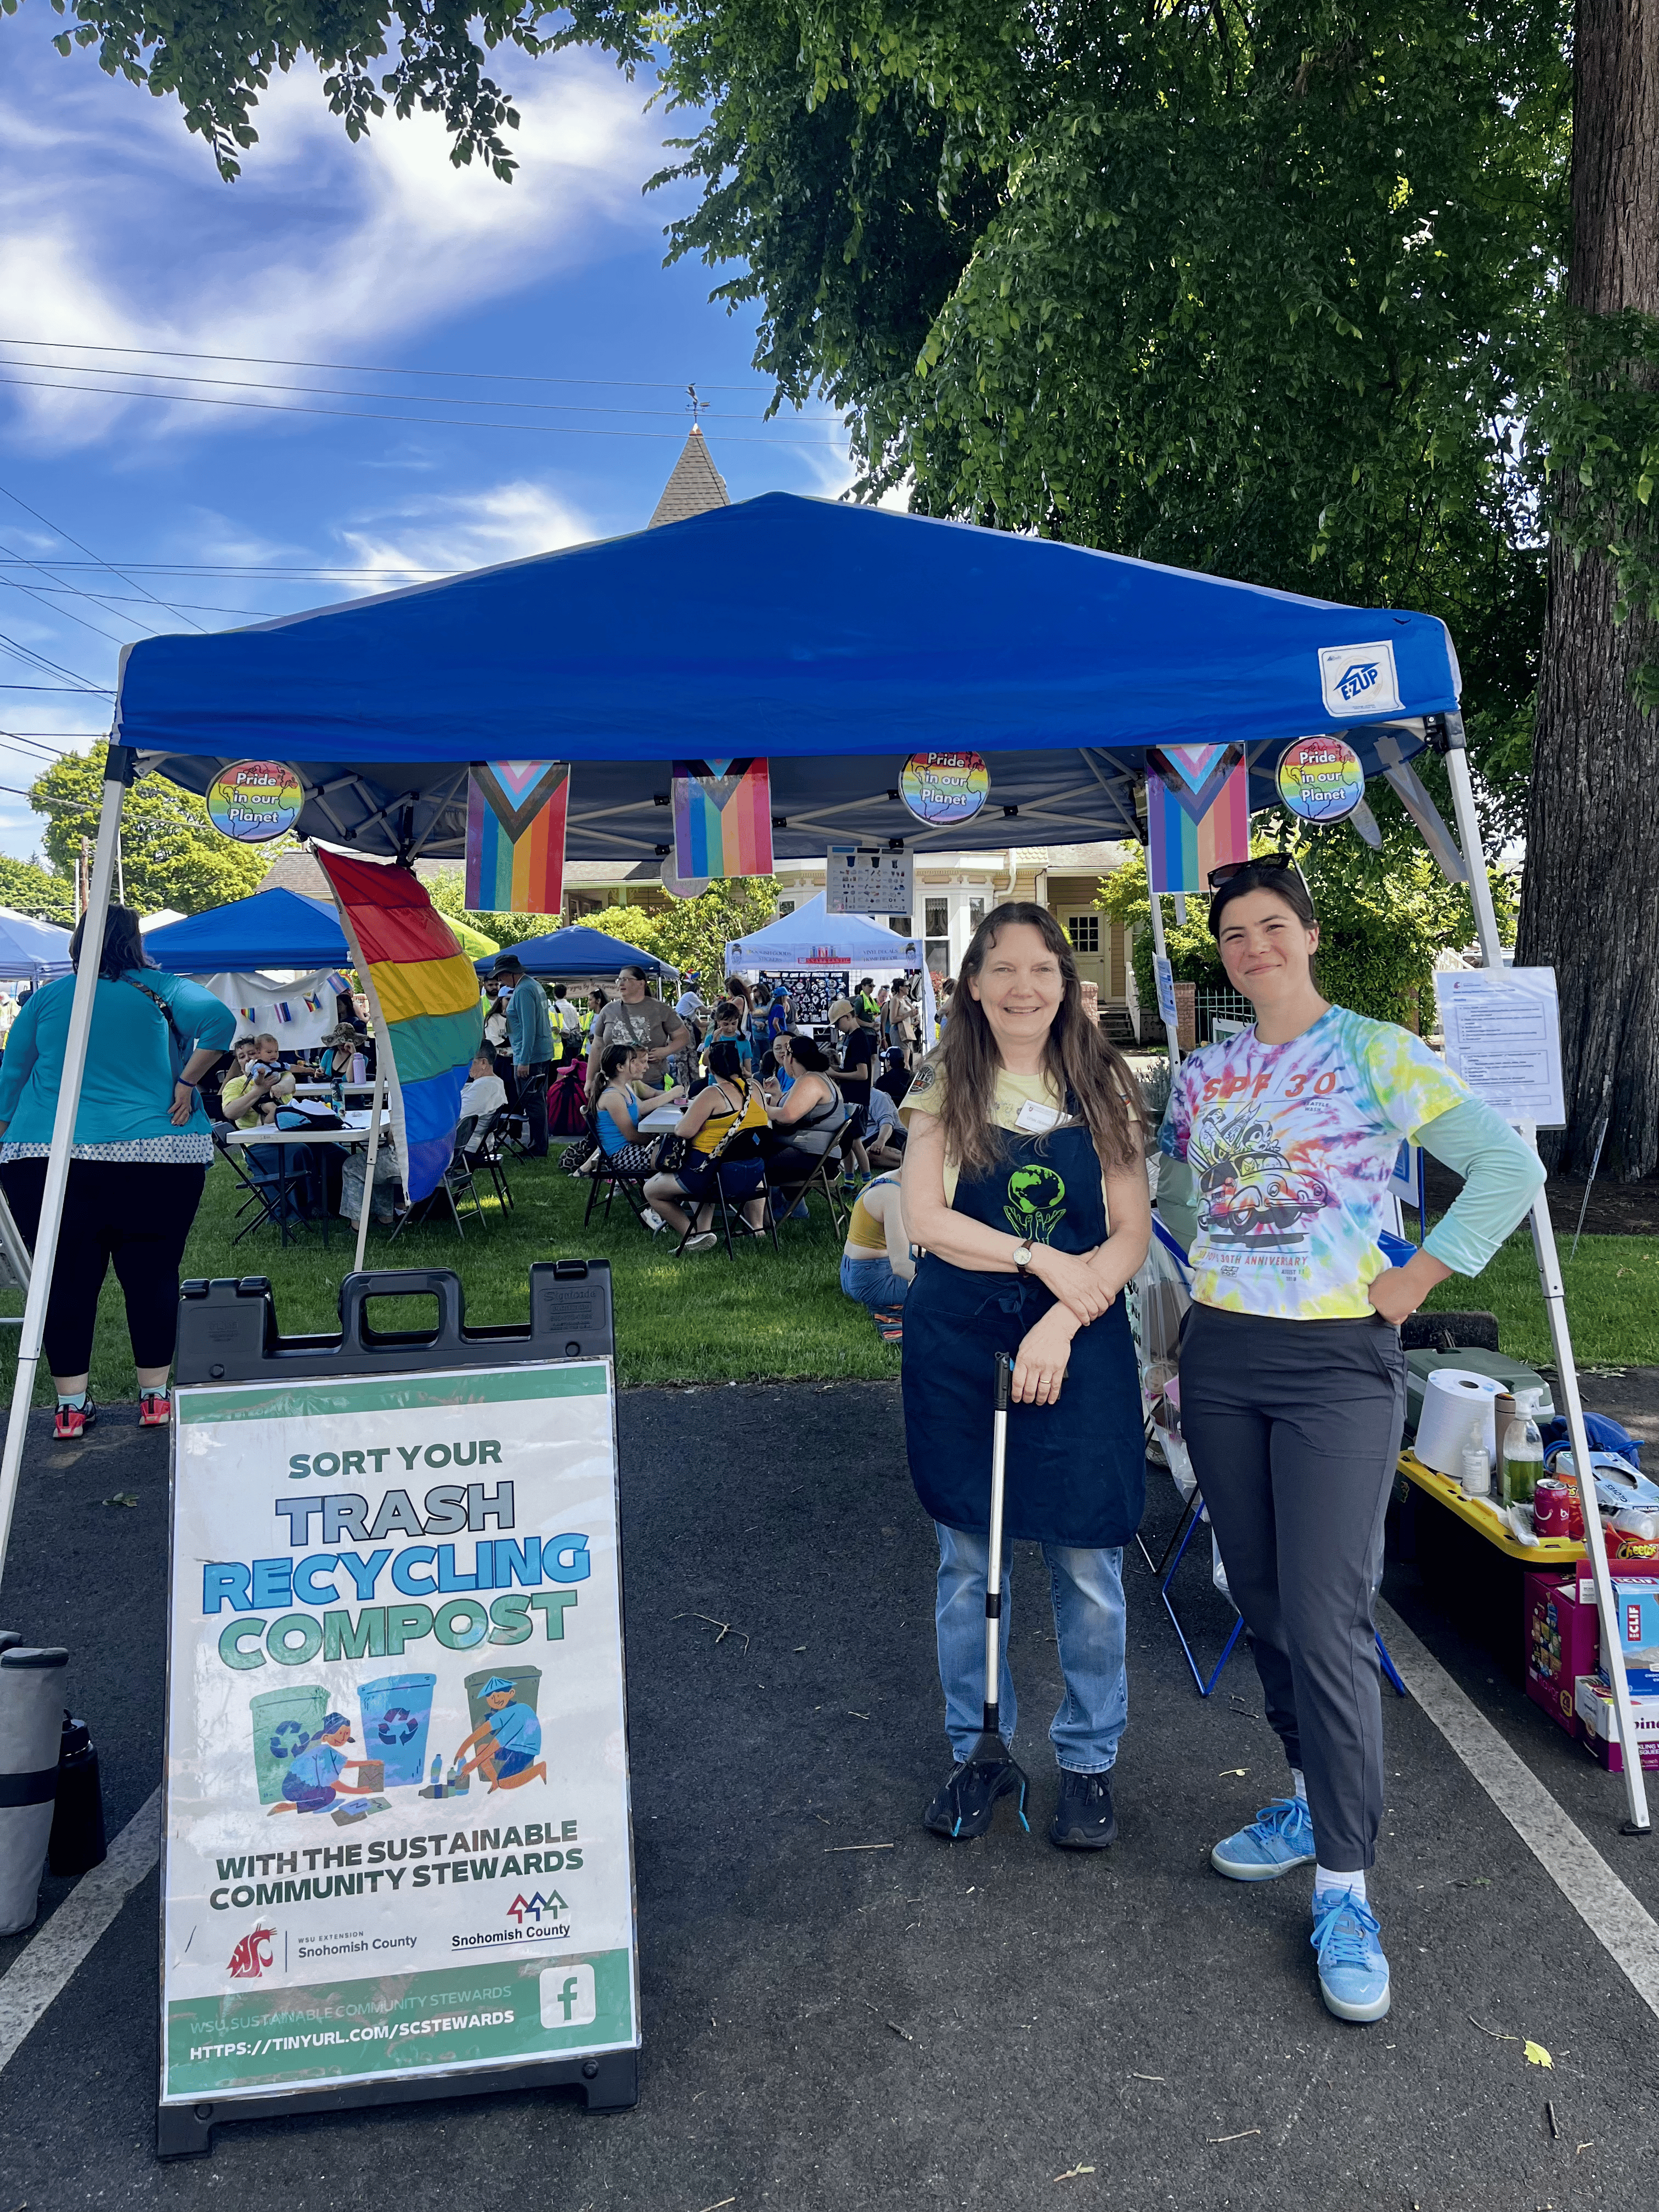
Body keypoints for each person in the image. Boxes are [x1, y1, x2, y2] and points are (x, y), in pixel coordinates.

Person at [1160, 854, 1546, 2025]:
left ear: (1310, 934)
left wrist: (1416, 1279)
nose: (1255, 947)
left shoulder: (1376, 1050)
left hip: (1337, 1367)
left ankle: (1345, 1885)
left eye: (1273, 926)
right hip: (1222, 1360)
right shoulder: (1204, 1073)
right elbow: (1184, 1204)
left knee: (1327, 1618)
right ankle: (1300, 1792)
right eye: (1234, 935)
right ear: (1221, 956)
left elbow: (1508, 1166)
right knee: (1263, 1596)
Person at [900, 902, 1150, 1851]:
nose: (1021, 987)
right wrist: (1037, 1259)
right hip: (962, 1338)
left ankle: (1087, 1762)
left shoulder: (1100, 1082)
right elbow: (924, 1218)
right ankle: (978, 1750)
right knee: (969, 1562)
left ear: (1066, 984)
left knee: (1086, 1560)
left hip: (1074, 1337)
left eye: (1041, 968)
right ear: (971, 982)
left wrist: (1061, 1311)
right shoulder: (943, 1078)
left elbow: (1126, 1233)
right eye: (1001, 968)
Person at [0, 904, 234, 1438]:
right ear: (135, 942)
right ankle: (154, 1398)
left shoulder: (50, 998)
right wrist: (187, 1081)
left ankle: (69, 1408)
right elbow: (221, 1023)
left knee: (64, 1282)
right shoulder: (164, 990)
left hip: (47, 1154)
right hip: (157, 1153)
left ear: (78, 943)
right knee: (152, 1274)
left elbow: (12, 1075)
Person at [645, 1039, 770, 1249]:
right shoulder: (755, 1088)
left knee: (651, 1190)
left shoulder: (713, 1093)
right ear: (738, 1063)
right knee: (704, 1178)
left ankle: (692, 1237)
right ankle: (717, 1231)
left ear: (711, 1066)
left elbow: (683, 1131)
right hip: (754, 1172)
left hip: (713, 1173)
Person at [762, 1034, 849, 1192]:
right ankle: (789, 1208)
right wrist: (776, 1094)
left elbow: (787, 1117)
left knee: (754, 1165)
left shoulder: (810, 1080)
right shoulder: (816, 1078)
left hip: (814, 1158)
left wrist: (760, 1108)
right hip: (818, 1155)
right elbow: (791, 1111)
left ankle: (775, 1210)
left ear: (790, 1058)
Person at [586, 964, 689, 1088]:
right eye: (619, 980)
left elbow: (683, 1036)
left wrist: (666, 1051)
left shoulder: (661, 1009)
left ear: (641, 983)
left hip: (652, 1082)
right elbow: (597, 1047)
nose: (621, 983)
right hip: (614, 1085)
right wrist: (589, 1080)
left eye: (626, 979)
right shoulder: (608, 1010)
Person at [493, 952, 554, 1157]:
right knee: (538, 1101)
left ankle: (538, 1147)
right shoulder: (533, 985)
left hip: (530, 1055)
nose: (500, 980)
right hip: (540, 1053)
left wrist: (524, 1060)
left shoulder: (523, 991)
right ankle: (539, 1144)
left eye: (501, 975)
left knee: (532, 1101)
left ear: (510, 973)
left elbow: (529, 1028)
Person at [268, 1713, 379, 1816]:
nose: (343, 1738)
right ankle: (288, 1807)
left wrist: (367, 1763)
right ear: (327, 1734)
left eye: (347, 1734)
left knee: (327, 1789)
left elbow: (342, 1763)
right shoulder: (323, 1751)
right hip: (294, 1789)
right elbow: (333, 1782)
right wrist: (358, 1791)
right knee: (329, 1794)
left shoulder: (324, 1749)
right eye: (340, 1733)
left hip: (293, 1785)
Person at [840, 1169, 913, 1317]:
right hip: (875, 1282)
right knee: (953, 1285)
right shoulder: (894, 1195)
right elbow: (901, 1265)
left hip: (852, 1273)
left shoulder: (886, 1179)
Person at [453, 1678, 546, 1793]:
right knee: (481, 1749)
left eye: (499, 1695)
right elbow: (482, 1731)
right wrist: (462, 1750)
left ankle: (539, 1769)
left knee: (505, 1784)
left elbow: (497, 1744)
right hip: (512, 1746)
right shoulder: (504, 1713)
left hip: (525, 1749)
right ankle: (495, 1782)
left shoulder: (521, 1711)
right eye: (491, 1697)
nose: (496, 1699)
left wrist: (473, 1764)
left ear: (511, 1694)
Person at [456, 1047, 508, 1154]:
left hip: (465, 1149)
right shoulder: (495, 1082)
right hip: (478, 1145)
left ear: (483, 1062)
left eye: (469, 1061)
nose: (466, 1066)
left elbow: (458, 1118)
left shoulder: (484, 1088)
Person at [698, 999, 754, 1075]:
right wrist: (714, 1042)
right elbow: (705, 1062)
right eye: (726, 1024)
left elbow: (749, 1074)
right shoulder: (711, 1039)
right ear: (718, 1022)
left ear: (739, 1021)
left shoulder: (744, 1042)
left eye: (734, 1024)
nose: (730, 1028)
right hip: (716, 1083)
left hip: (736, 1082)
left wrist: (743, 1071)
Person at [549, 982, 583, 1065]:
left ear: (554, 994)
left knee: (562, 1067)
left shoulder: (552, 1009)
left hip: (562, 1041)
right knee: (574, 1065)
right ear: (566, 994)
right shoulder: (572, 1007)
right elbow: (578, 1024)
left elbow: (553, 1027)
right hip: (575, 1039)